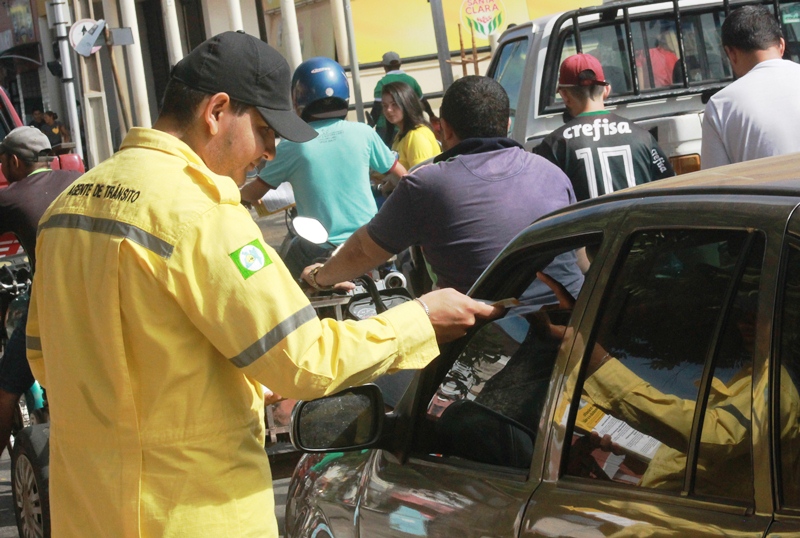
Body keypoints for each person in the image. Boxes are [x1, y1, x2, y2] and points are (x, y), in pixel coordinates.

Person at [25, 31, 499, 537]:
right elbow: (305, 360)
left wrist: (228, 382)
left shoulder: (69, 207)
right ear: (217, 111)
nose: (271, 152)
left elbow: (48, 360)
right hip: (192, 512)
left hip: (89, 513)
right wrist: (419, 319)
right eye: (267, 129)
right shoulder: (199, 211)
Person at [301, 75, 582, 300]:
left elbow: (364, 251)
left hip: (489, 343)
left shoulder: (426, 183)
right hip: (573, 327)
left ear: (444, 130)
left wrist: (320, 277)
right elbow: (578, 256)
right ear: (506, 125)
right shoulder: (552, 173)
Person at [239, 57, 407, 277]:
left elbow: (254, 192)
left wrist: (235, 196)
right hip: (371, 243)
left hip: (319, 249)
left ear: (298, 98)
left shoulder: (292, 145)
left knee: (284, 275)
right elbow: (403, 178)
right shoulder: (364, 133)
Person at [0, 127, 81, 458]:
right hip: (98, 292)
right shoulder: (79, 182)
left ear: (14, 161)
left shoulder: (11, 197)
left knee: (5, 389)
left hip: (50, 301)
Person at [534, 53, 674, 201]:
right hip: (639, 224)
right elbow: (669, 186)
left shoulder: (555, 145)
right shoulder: (642, 136)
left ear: (565, 96)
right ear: (606, 90)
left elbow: (545, 203)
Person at [701, 5, 800, 169]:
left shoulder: (721, 105)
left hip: (766, 194)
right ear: (781, 45)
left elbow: (715, 184)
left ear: (731, 53)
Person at [380, 81, 440, 184]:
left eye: (394, 104)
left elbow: (421, 180)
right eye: (385, 106)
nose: (389, 110)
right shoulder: (400, 135)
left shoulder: (417, 135)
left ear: (406, 103)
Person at [371, 51, 423, 147]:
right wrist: (431, 115)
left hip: (385, 128)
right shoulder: (411, 80)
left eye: (394, 104)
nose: (389, 109)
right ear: (400, 63)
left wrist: (369, 126)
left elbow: (377, 108)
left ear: (384, 66)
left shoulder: (382, 83)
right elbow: (423, 101)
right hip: (409, 124)